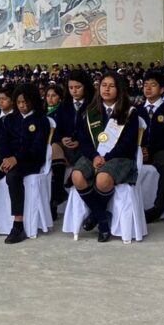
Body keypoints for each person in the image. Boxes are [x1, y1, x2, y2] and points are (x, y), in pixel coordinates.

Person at [0, 83, 50, 244]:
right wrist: (7, 157)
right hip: (8, 159)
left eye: (26, 102)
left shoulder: (41, 120)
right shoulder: (10, 119)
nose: (22, 106)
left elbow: (37, 148)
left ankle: (18, 225)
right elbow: (3, 142)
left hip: (30, 161)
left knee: (13, 176)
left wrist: (16, 159)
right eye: (20, 102)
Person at [70, 71, 141, 243]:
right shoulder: (90, 111)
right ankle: (102, 218)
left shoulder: (129, 112)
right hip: (93, 155)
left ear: (119, 89)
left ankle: (97, 217)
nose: (106, 89)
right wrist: (94, 156)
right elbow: (84, 140)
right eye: (103, 85)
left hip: (120, 157)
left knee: (102, 179)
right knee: (77, 176)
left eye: (111, 86)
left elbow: (128, 143)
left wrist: (107, 157)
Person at [51, 70, 96, 219]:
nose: (74, 91)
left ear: (86, 87)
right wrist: (63, 138)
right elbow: (57, 130)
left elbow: (96, 132)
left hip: (86, 148)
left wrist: (79, 141)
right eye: (71, 88)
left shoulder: (94, 105)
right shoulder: (65, 106)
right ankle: (58, 191)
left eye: (78, 87)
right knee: (55, 147)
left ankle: (72, 179)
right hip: (67, 148)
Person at [139, 70, 164, 223]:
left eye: (153, 85)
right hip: (139, 152)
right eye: (145, 85)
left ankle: (158, 208)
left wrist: (149, 151)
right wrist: (139, 150)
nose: (148, 88)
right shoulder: (136, 110)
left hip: (159, 152)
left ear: (162, 89)